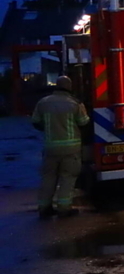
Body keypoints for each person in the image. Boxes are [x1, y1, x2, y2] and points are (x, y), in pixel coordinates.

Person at [31, 75, 90, 217]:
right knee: (67, 177)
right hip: (71, 148)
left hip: (50, 148)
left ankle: (44, 207)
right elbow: (84, 122)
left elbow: (35, 122)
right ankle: (64, 208)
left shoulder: (43, 102)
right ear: (69, 87)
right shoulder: (74, 103)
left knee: (48, 177)